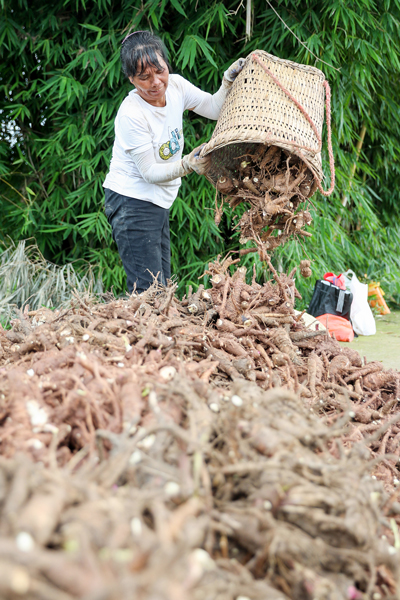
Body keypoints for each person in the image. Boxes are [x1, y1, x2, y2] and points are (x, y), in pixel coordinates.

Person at [103, 30, 244, 293]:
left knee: (162, 288)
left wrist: (227, 83)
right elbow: (148, 171)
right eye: (144, 77)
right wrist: (187, 164)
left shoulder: (177, 86)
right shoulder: (131, 114)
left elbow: (213, 108)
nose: (156, 82)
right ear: (131, 79)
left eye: (160, 71)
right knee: (149, 291)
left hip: (157, 202)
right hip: (131, 202)